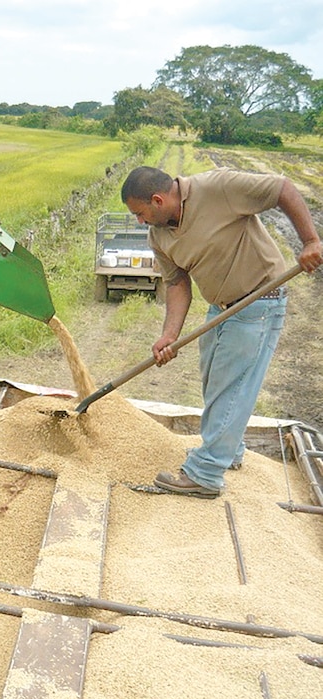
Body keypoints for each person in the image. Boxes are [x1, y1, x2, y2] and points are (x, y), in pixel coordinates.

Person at [121, 165, 322, 498]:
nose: (140, 221)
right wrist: (169, 335)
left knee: (231, 388)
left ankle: (205, 473)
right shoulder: (158, 235)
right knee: (214, 383)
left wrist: (311, 240)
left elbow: (282, 189)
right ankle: (229, 449)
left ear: (157, 200)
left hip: (258, 302)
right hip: (220, 308)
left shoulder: (218, 187)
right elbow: (177, 282)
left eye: (140, 213)